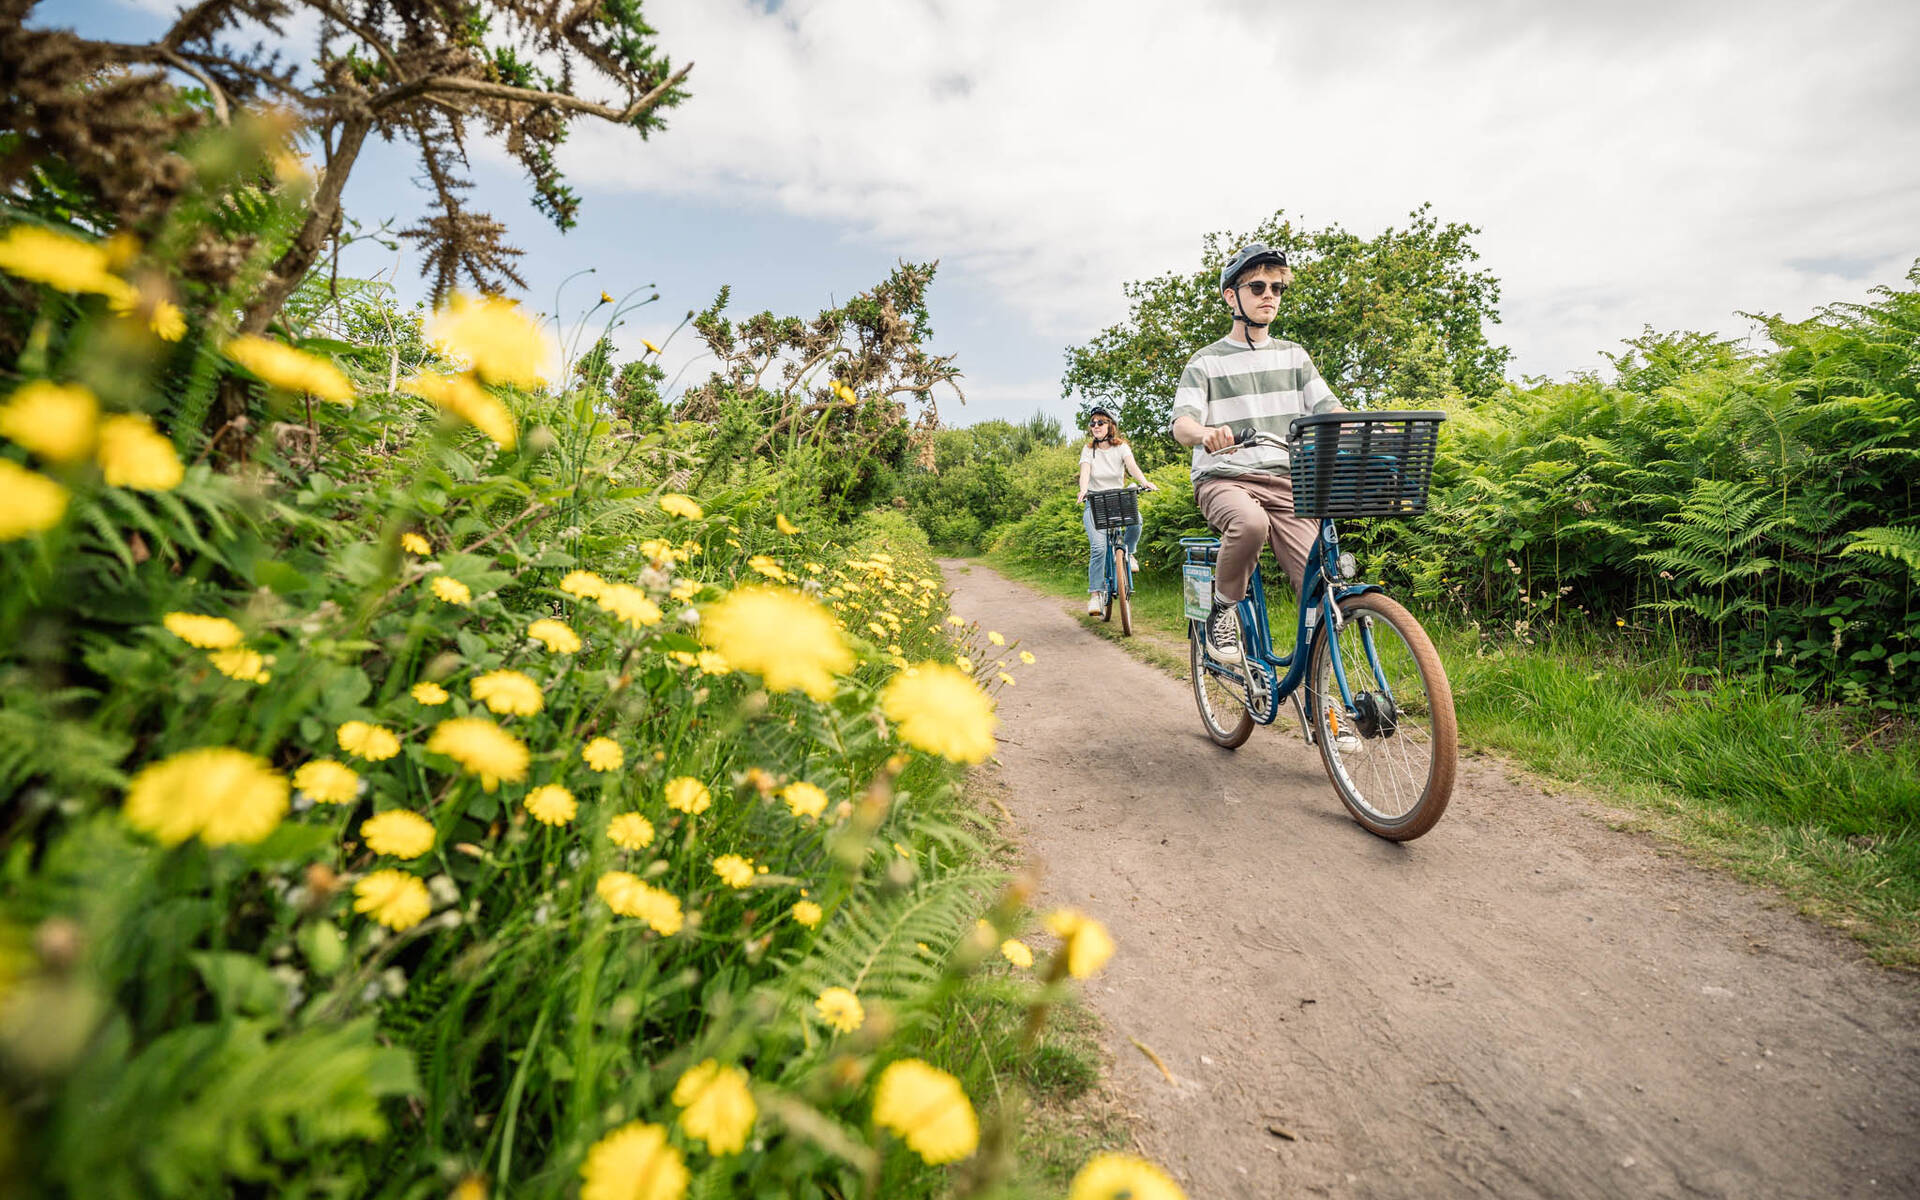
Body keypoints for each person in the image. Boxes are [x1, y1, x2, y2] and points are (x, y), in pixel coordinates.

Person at [1169, 243, 1344, 664]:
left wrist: (1364, 427)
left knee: (1320, 590)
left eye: (1278, 288)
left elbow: (1330, 409)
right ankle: (1223, 611)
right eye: (1259, 285)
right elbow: (1182, 425)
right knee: (1250, 524)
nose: (1270, 295)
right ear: (1232, 296)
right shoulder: (1205, 362)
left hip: (1287, 482)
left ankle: (1326, 704)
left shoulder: (1293, 356)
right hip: (1225, 478)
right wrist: (1206, 433)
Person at [1076, 405, 1158, 614]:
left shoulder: (1121, 447)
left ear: (1110, 426)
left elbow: (1132, 467)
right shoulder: (1088, 450)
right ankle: (1095, 595)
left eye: (1100, 422)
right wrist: (1083, 490)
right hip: (1094, 502)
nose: (1095, 426)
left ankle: (1128, 552)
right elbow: (1085, 471)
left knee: (1136, 520)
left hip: (1117, 500)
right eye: (1092, 423)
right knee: (1098, 548)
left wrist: (1144, 482)